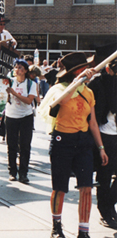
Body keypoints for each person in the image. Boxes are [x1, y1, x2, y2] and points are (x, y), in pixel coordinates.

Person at [37, 52, 108, 238]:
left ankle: (83, 231)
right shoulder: (58, 90)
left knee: (86, 187)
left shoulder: (88, 92)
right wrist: (78, 82)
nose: (87, 71)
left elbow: (92, 123)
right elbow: (59, 104)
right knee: (59, 187)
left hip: (83, 142)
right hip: (63, 142)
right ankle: (56, 226)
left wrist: (100, 148)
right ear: (75, 72)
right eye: (83, 69)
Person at [88, 58, 117, 229]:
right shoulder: (99, 83)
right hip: (105, 135)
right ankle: (105, 211)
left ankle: (108, 203)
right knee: (104, 176)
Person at [5, 59, 37, 183]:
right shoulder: (9, 82)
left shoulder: (31, 84)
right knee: (11, 145)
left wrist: (14, 93)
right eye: (16, 67)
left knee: (25, 146)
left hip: (25, 117)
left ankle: (23, 173)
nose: (17, 70)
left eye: (20, 68)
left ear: (25, 71)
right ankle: (12, 171)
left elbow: (29, 101)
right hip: (11, 116)